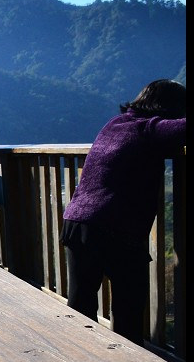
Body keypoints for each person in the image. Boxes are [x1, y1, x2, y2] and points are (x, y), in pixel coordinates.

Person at [60, 79, 186, 345]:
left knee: (80, 306)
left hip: (77, 220)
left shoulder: (114, 124)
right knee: (129, 315)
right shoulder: (148, 128)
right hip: (114, 228)